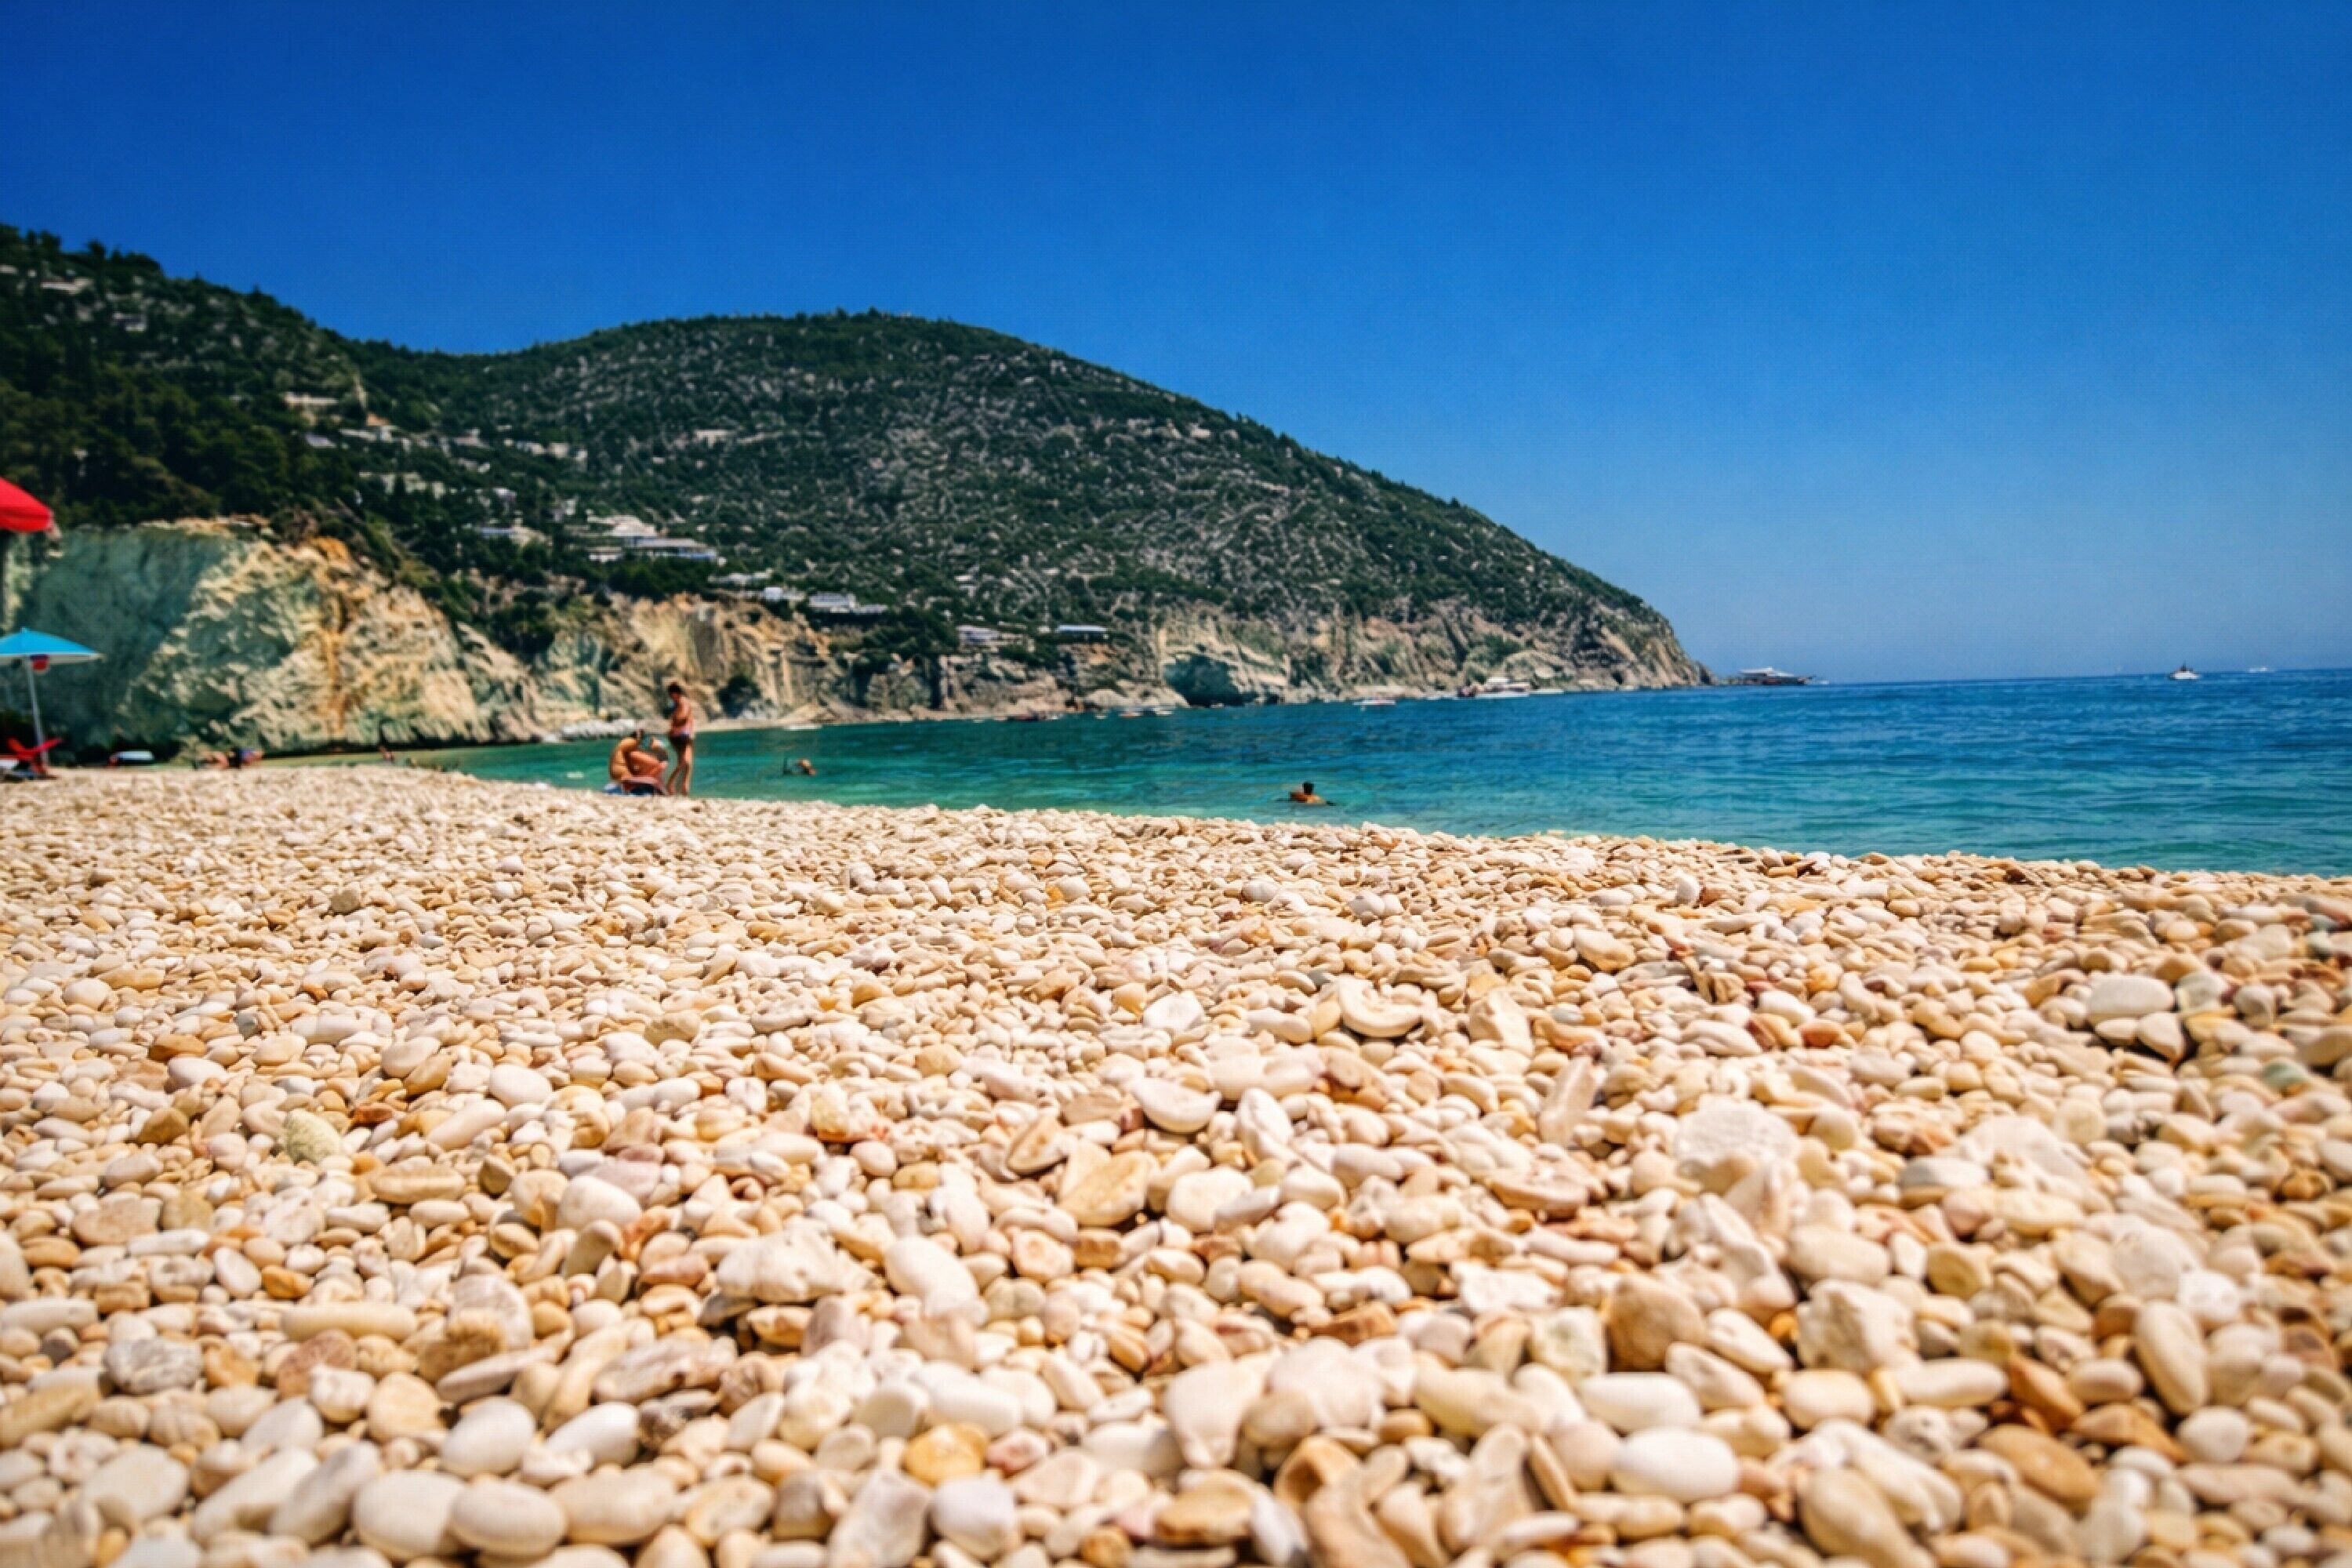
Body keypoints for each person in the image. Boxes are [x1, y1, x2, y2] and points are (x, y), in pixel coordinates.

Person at [607, 731, 668, 796]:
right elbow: (657, 764)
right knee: (655, 779)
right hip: (625, 780)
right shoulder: (631, 749)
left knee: (655, 778)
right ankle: (666, 796)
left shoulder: (627, 750)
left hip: (624, 780)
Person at [664, 681, 696, 797]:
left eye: (672, 695)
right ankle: (675, 785)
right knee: (685, 762)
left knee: (686, 762)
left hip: (684, 735)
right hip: (679, 736)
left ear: (676, 693)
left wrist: (675, 721)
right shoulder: (676, 704)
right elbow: (678, 719)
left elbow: (683, 718)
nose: (671, 697)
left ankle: (683, 786)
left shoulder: (683, 702)